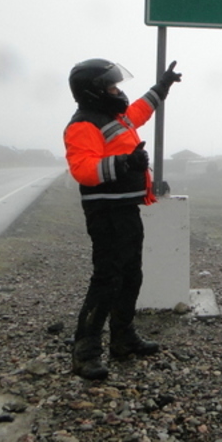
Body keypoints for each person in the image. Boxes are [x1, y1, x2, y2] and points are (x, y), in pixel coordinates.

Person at [64, 57, 181, 379]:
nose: (118, 91)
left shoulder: (112, 117)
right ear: (95, 91)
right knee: (106, 280)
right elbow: (83, 170)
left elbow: (139, 112)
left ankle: (123, 338)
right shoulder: (84, 124)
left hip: (125, 209)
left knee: (131, 276)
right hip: (106, 213)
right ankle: (85, 351)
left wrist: (162, 86)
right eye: (112, 85)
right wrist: (125, 163)